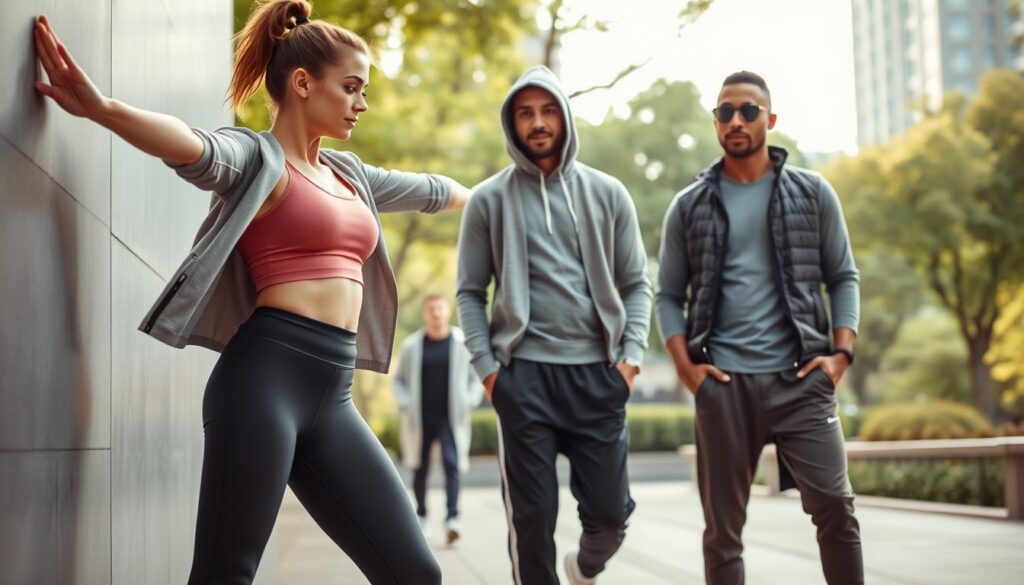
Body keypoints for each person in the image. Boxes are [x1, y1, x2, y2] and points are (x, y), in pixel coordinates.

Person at [32, 2, 471, 583]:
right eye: (352, 88)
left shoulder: (351, 174)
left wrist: (503, 193)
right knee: (226, 574)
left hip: (334, 396)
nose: (362, 104)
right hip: (262, 383)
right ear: (303, 83)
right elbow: (192, 146)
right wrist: (103, 109)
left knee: (416, 572)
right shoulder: (258, 160)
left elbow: (436, 191)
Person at [655, 71, 863, 585]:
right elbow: (666, 295)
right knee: (722, 533)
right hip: (723, 386)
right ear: (715, 123)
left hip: (801, 381)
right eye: (725, 112)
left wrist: (841, 356)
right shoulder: (688, 205)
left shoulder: (812, 192)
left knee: (836, 507)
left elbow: (843, 276)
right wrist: (687, 369)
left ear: (770, 120)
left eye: (749, 111)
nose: (737, 121)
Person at [456, 65, 652, 585]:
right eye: (525, 113)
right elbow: (470, 293)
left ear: (564, 117)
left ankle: (585, 567)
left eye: (547, 111)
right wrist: (490, 374)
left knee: (610, 518)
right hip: (524, 379)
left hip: (598, 377)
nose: (537, 123)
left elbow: (636, 284)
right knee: (531, 525)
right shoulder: (488, 201)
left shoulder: (609, 193)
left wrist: (629, 361)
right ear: (512, 123)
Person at [391, 294, 484, 545]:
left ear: (448, 311)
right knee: (419, 469)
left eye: (440, 308)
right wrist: (406, 403)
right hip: (420, 419)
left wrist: (469, 400)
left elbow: (476, 380)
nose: (435, 313)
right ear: (425, 313)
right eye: (431, 309)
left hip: (450, 419)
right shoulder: (412, 345)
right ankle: (422, 516)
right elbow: (397, 380)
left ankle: (452, 518)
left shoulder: (462, 344)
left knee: (451, 465)